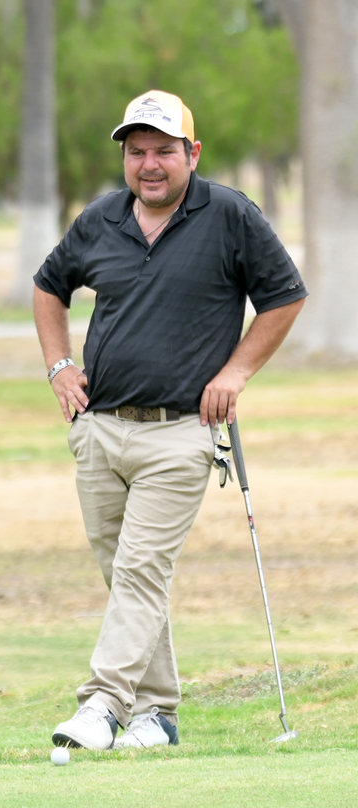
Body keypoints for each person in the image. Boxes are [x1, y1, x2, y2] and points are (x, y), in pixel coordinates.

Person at [33, 90, 306, 750]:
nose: (149, 164)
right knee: (125, 574)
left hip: (180, 433)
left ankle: (103, 704)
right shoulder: (102, 218)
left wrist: (235, 372)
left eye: (163, 151)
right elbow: (49, 286)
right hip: (100, 429)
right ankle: (157, 714)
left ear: (193, 153)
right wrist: (59, 366)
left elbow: (284, 296)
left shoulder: (231, 216)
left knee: (140, 571)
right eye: (137, 152)